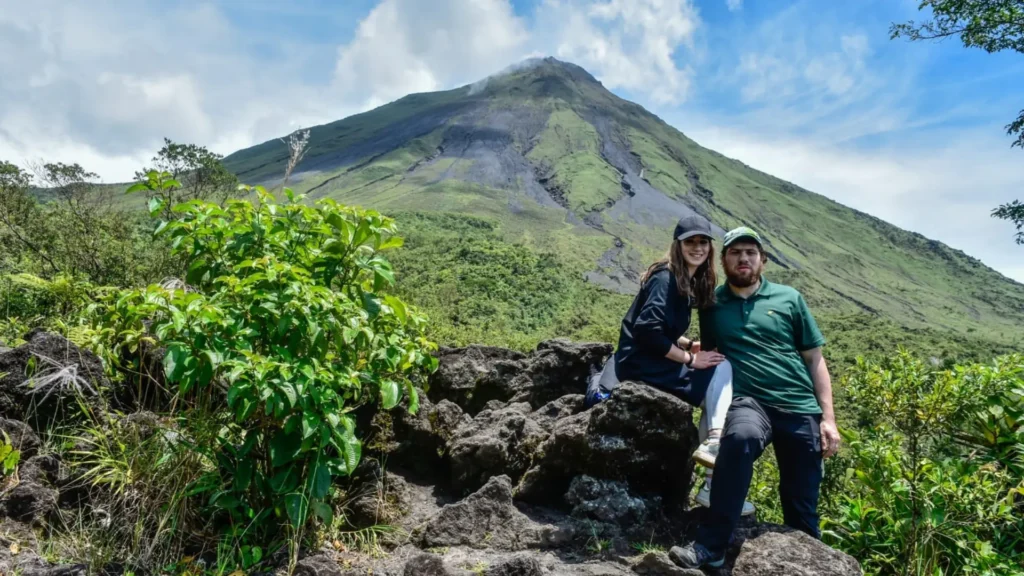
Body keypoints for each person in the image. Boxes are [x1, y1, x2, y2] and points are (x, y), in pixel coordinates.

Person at [670, 226, 841, 569]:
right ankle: (711, 548)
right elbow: (714, 354)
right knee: (739, 438)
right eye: (735, 252)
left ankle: (811, 564)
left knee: (801, 500)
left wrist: (828, 419)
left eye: (750, 252)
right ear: (725, 260)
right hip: (751, 402)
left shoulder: (789, 298)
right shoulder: (713, 304)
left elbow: (814, 359)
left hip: (799, 406)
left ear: (762, 260)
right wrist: (680, 348)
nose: (743, 258)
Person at [586, 215, 754, 515]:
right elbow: (647, 330)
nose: (697, 248)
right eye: (690, 242)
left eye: (703, 242)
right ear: (678, 245)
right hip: (641, 365)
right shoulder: (666, 277)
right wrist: (691, 359)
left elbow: (662, 326)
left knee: (717, 392)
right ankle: (714, 472)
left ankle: (713, 475)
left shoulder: (682, 278)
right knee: (719, 376)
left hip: (645, 360)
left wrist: (687, 343)